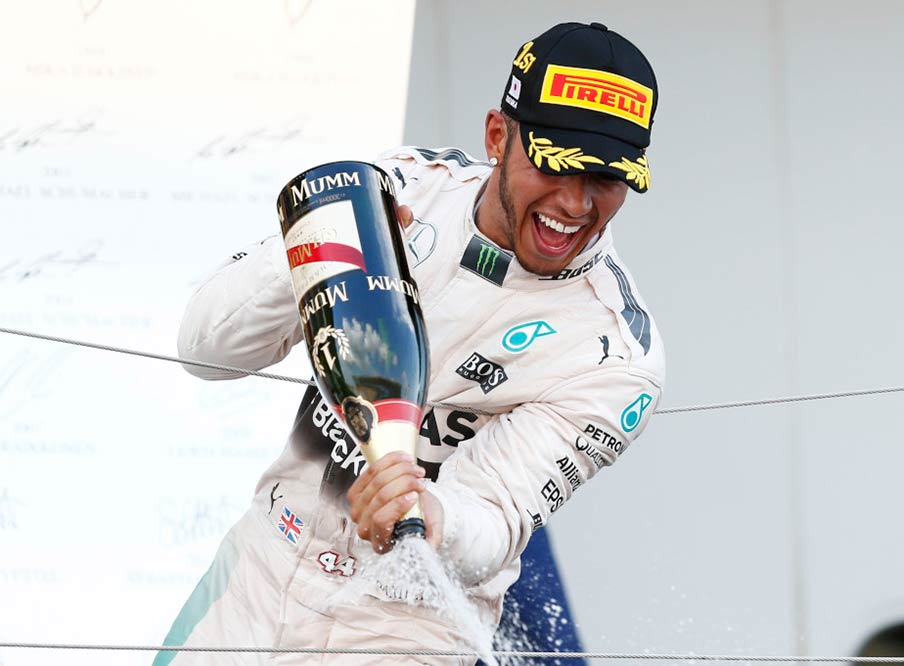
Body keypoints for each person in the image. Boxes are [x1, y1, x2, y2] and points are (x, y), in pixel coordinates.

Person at [155, 21, 665, 666]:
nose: (574, 202)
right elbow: (204, 353)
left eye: (606, 179)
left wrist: (428, 513)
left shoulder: (617, 355)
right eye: (554, 163)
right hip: (260, 570)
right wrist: (314, 252)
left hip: (407, 625)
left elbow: (497, 515)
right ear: (497, 136)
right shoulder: (402, 188)